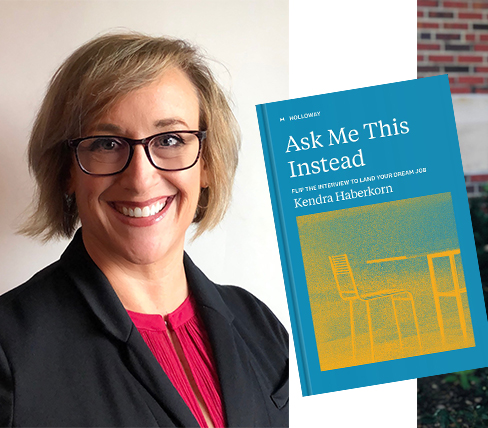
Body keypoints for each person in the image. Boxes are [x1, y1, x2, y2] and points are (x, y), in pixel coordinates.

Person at [0, 32, 288, 427]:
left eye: (170, 139)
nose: (140, 179)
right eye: (105, 143)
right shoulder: (9, 349)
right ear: (66, 170)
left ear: (207, 164)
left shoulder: (261, 324)